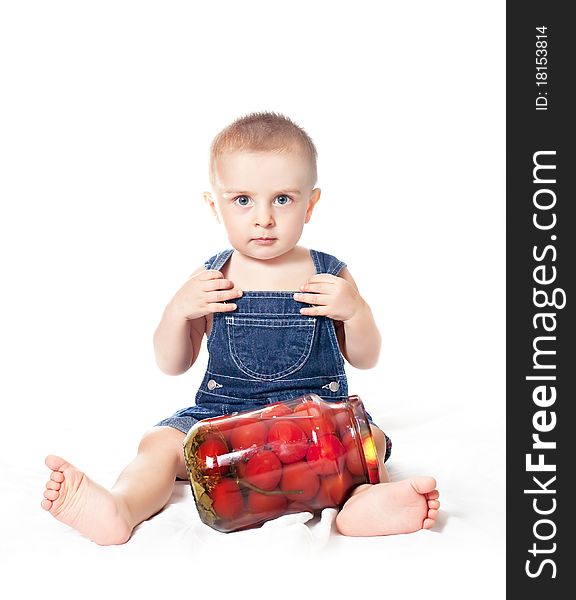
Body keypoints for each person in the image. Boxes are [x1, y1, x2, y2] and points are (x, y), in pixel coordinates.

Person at [41, 112, 440, 544]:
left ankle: (361, 504)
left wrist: (356, 312)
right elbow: (172, 363)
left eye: (283, 199)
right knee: (158, 443)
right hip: (220, 419)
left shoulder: (330, 273)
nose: (264, 218)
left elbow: (366, 356)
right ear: (215, 205)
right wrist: (177, 312)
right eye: (243, 200)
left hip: (314, 419)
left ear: (311, 203)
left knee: (370, 442)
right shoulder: (211, 277)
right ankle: (122, 505)